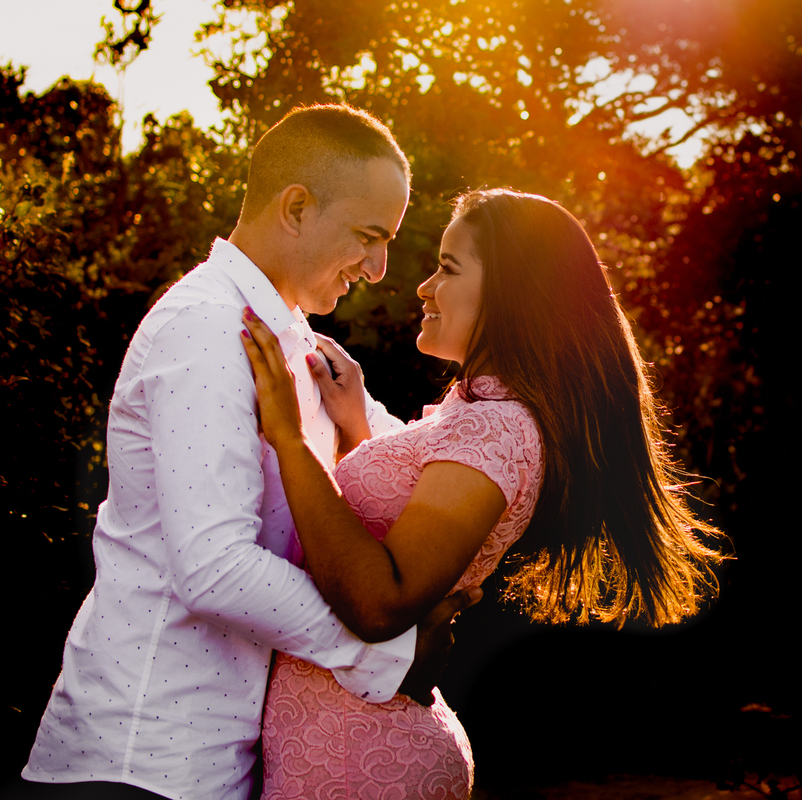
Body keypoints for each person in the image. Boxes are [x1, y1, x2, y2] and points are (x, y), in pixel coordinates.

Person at [16, 104, 475, 800]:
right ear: (295, 208)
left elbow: (394, 465)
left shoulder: (295, 343)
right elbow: (215, 566)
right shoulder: (206, 328)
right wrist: (382, 651)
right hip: (139, 759)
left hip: (218, 760)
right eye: (367, 236)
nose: (380, 269)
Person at [239, 188, 727, 799]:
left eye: (447, 268)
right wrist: (357, 428)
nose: (423, 288)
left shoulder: (497, 425)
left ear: (510, 294)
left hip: (356, 760)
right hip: (351, 742)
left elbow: (380, 603)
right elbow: (393, 530)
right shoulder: (477, 410)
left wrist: (290, 439)